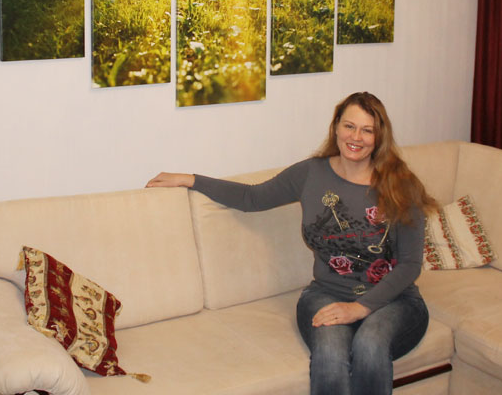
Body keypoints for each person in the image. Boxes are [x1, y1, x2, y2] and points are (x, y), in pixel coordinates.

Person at [146, 91, 439, 395]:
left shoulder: (401, 185)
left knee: (370, 344)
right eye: (349, 126)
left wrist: (360, 308)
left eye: (367, 130)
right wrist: (192, 179)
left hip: (395, 301)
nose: (356, 137)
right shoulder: (311, 173)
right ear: (335, 127)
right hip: (326, 293)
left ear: (379, 137)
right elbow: (252, 197)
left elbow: (410, 265)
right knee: (330, 355)